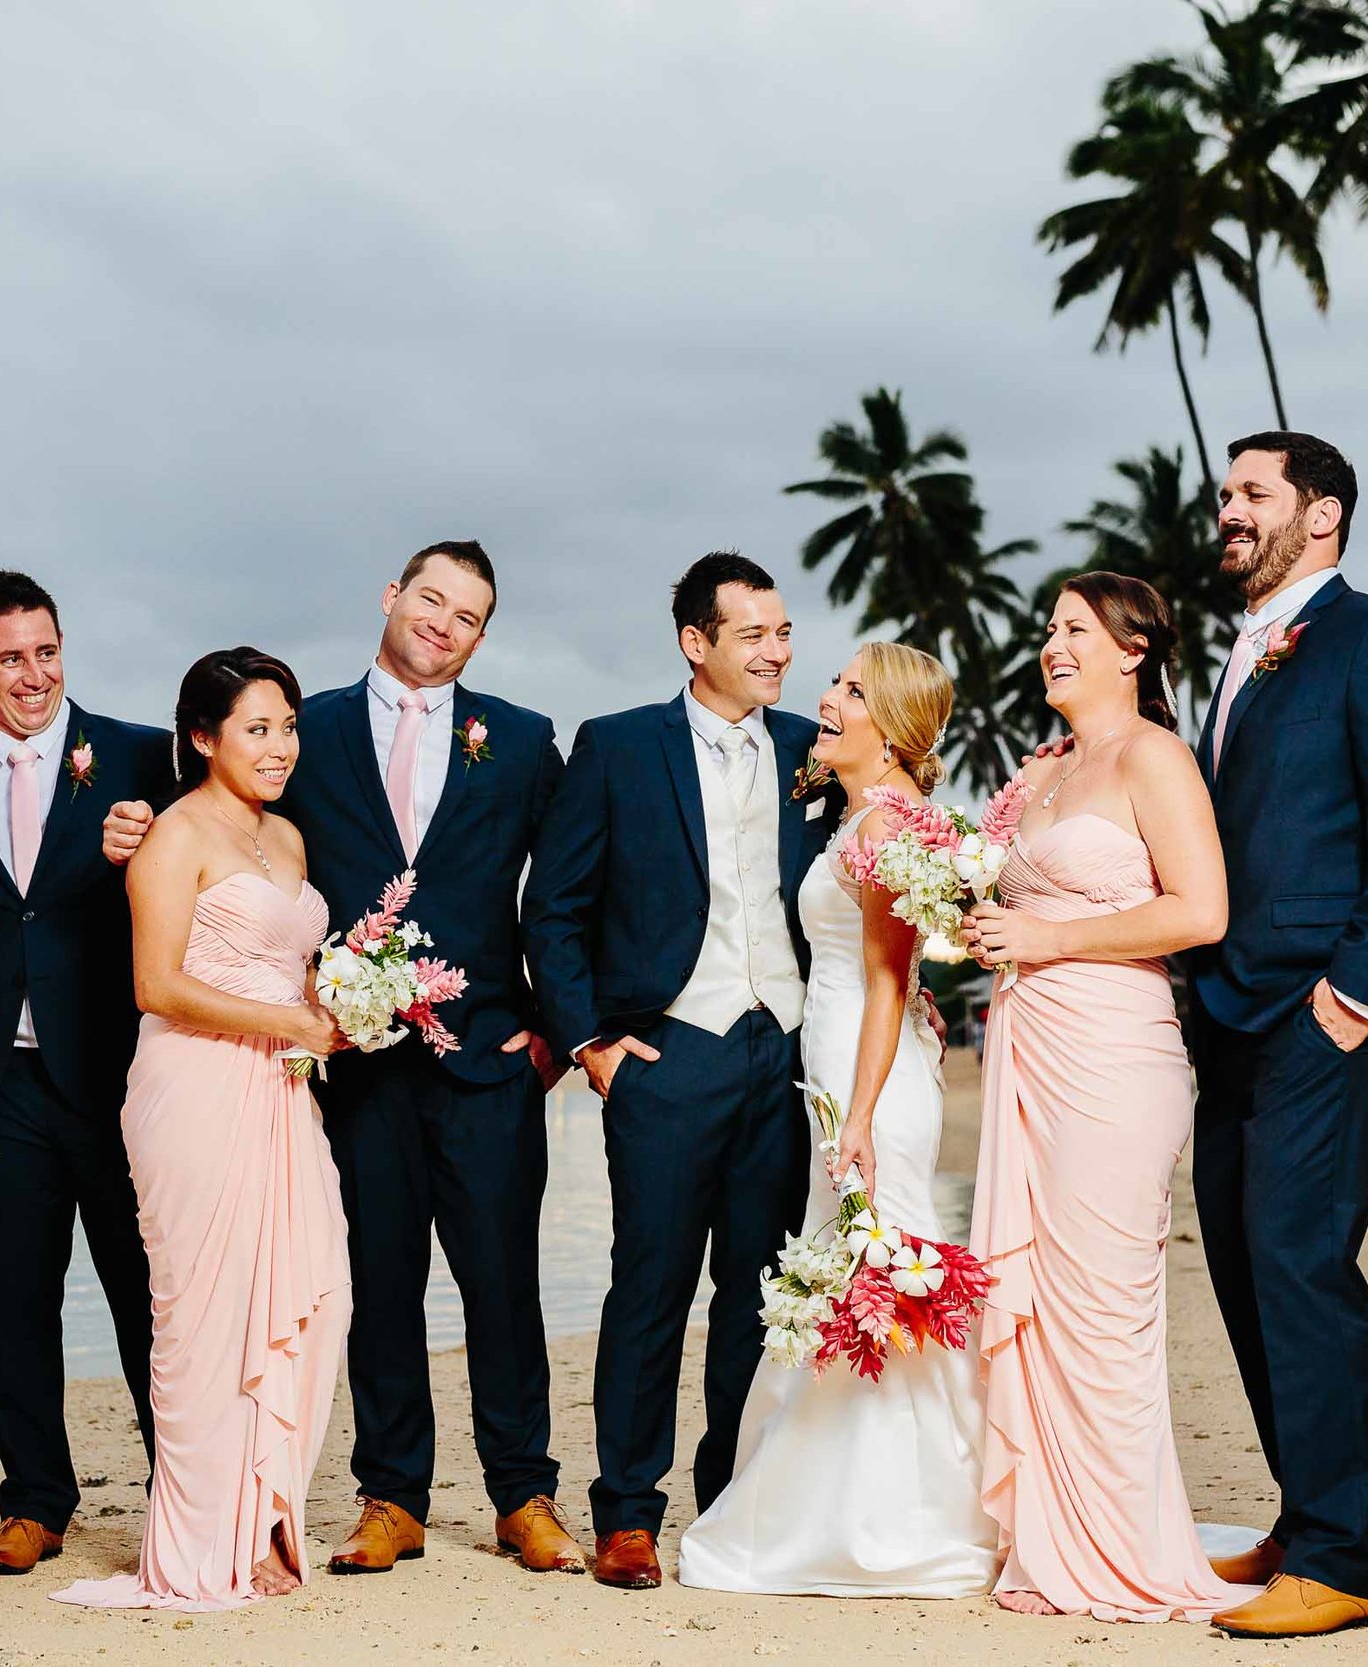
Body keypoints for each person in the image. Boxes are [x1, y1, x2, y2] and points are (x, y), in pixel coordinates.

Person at [101, 542, 579, 1576]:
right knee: (375, 1279)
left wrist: (553, 1022)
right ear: (392, 596)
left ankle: (524, 1494)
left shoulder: (529, 738)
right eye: (430, 599)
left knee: (504, 1283)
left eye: (468, 614)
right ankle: (391, 1495)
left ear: (482, 636)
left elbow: (574, 881)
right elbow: (200, 782)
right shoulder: (298, 728)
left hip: (490, 1061)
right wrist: (122, 820)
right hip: (350, 1065)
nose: (443, 623)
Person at [1184, 433, 1368, 1639]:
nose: (1230, 514)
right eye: (1224, 498)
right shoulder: (1237, 655)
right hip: (1229, 1013)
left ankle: (1347, 1559)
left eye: (1254, 494)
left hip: (1328, 1014)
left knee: (1299, 1260)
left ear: (1324, 513)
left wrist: (1355, 989)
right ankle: (1308, 1517)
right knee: (1247, 1268)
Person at [521, 552, 834, 1590]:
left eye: (783, 631)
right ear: (696, 644)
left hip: (779, 1053)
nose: (777, 651)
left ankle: (732, 1494)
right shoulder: (615, 747)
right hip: (665, 1053)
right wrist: (591, 1043)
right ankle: (627, 1510)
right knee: (650, 1283)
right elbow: (553, 907)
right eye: (754, 634)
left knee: (757, 1289)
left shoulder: (809, 750)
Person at [676, 643, 999, 1598]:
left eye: (853, 690)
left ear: (892, 728)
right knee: (856, 1266)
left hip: (872, 1083)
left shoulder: (893, 823)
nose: (828, 695)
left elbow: (892, 978)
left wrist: (856, 1116)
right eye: (839, 682)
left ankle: (909, 1514)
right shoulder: (859, 813)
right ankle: (848, 1497)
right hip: (838, 1070)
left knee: (885, 1264)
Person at [958, 575, 1252, 1624]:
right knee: (1035, 1301)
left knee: (1103, 1305)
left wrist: (1046, 938)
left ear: (1133, 650)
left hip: (1113, 1054)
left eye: (1074, 629)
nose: (1052, 645)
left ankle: (1122, 1548)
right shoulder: (1040, 772)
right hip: (1029, 1046)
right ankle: (1053, 1542)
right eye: (1047, 630)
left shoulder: (1153, 757)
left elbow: (1201, 909)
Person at [49, 648, 353, 1610]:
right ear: (203, 738)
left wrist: (350, 1007)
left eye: (289, 726)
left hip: (283, 1091)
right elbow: (159, 984)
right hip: (195, 1090)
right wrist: (294, 1023)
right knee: (204, 1321)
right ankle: (193, 1545)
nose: (280, 746)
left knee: (314, 1295)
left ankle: (264, 1517)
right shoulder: (175, 837)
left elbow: (289, 965)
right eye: (257, 728)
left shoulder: (291, 842)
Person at [0, 572, 175, 1577]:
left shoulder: (143, 754)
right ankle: (35, 1502)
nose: (34, 674)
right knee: (13, 1304)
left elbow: (207, 870)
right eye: (9, 656)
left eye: (47, 650)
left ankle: (178, 1494)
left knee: (152, 1299)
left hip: (118, 1075)